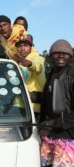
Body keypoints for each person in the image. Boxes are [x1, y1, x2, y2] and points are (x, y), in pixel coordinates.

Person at [39, 39, 74, 167]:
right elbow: (47, 99)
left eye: (65, 53)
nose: (60, 56)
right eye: (56, 53)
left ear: (70, 56)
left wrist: (53, 123)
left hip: (67, 137)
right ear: (51, 55)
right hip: (49, 136)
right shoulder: (51, 74)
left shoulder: (72, 75)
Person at [15, 34, 45, 117]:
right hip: (19, 105)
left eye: (26, 45)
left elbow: (37, 66)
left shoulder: (37, 58)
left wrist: (30, 64)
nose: (22, 48)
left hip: (32, 107)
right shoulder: (18, 61)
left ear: (31, 47)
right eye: (19, 46)